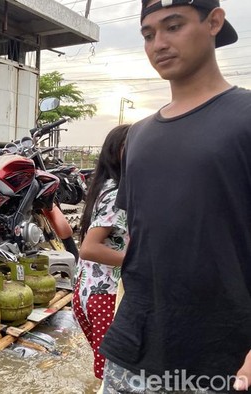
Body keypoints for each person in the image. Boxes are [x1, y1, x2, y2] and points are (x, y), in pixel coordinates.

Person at [99, 0, 251, 392]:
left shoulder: (245, 118)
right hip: (135, 346)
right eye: (148, 34)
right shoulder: (139, 135)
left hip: (224, 358)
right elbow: (139, 238)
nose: (159, 43)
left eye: (174, 26)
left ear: (214, 21)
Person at [72, 124, 130, 381]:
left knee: (106, 371)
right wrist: (135, 261)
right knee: (112, 376)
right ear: (119, 152)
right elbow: (89, 248)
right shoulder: (117, 193)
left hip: (86, 291)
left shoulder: (103, 186)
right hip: (105, 295)